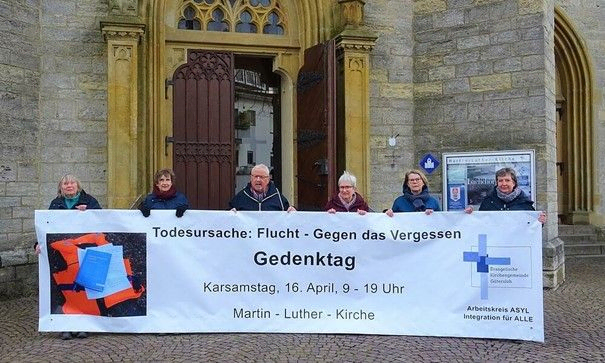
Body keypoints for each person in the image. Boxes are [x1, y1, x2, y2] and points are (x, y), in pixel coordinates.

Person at [39, 174, 101, 340]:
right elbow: (45, 226)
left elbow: (102, 221)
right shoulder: (55, 204)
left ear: (78, 185)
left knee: (84, 288)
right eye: (65, 183)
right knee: (64, 289)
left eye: (72, 182)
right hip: (62, 253)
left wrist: (89, 213)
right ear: (61, 187)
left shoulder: (90, 201)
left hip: (84, 251)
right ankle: (64, 325)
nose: (69, 185)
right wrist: (37, 244)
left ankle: (84, 325)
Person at [466, 167, 547, 223]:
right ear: (497, 183)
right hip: (494, 245)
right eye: (500, 180)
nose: (503, 183)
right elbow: (479, 223)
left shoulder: (525, 203)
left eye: (507, 180)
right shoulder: (487, 202)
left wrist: (540, 221)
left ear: (514, 183)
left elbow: (533, 225)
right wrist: (471, 214)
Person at [229, 164, 296, 212]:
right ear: (251, 178)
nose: (258, 180)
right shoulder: (241, 196)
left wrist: (293, 211)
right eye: (255, 176)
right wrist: (231, 214)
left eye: (261, 177)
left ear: (268, 179)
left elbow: (289, 215)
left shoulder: (277, 197)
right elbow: (227, 217)